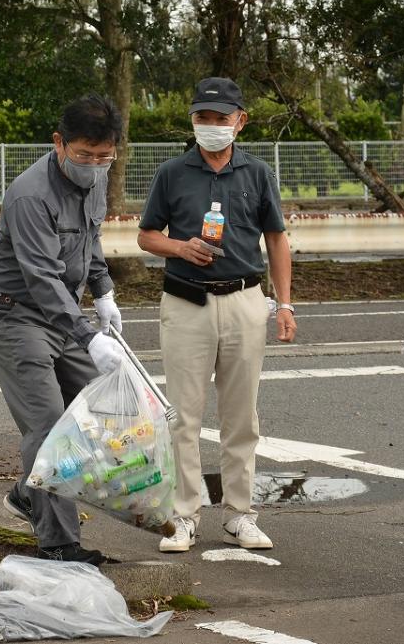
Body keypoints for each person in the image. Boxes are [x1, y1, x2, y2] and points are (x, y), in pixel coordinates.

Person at [137, 76, 296, 554]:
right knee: (182, 416)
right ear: (192, 121)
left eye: (220, 119)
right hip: (186, 301)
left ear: (239, 122)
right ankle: (185, 515)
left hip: (246, 299)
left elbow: (276, 239)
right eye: (202, 118)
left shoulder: (257, 173)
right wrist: (180, 246)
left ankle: (240, 514)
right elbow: (146, 236)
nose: (211, 126)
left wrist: (284, 303)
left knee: (241, 415)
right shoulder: (172, 172)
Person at [0, 94, 125, 566]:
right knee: (47, 426)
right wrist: (87, 337)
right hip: (15, 314)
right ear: (59, 143)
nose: (95, 165)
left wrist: (103, 291)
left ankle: (27, 493)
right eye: (85, 155)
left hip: (64, 312)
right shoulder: (29, 194)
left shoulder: (96, 181)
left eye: (105, 156)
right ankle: (60, 544)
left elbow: (90, 240)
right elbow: (41, 277)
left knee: (99, 415)